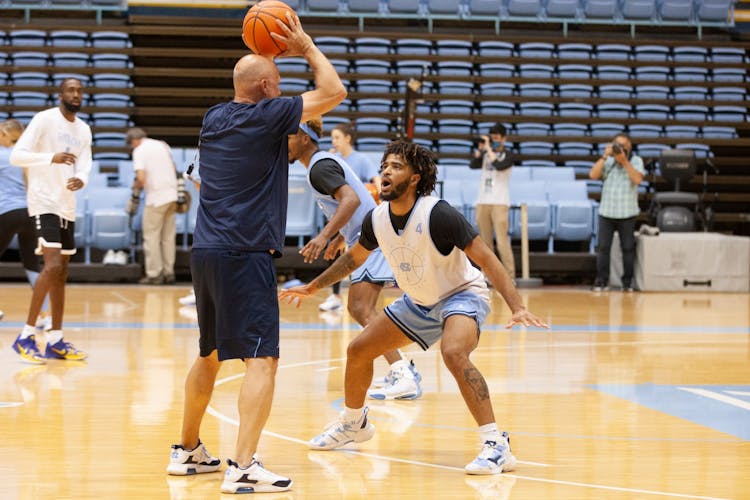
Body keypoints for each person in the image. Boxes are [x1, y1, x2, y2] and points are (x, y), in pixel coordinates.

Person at [280, 140, 548, 474]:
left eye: (396, 166)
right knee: (358, 350)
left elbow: (487, 259)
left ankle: (496, 444)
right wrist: (314, 286)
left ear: (416, 177)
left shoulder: (438, 214)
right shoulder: (377, 218)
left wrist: (517, 306)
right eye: (384, 167)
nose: (386, 172)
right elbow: (353, 259)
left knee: (453, 352)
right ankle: (354, 424)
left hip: (461, 295)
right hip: (419, 302)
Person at [166, 12, 346, 495]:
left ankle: (187, 451)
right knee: (262, 360)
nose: (282, 88)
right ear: (267, 87)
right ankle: (242, 465)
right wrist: (305, 46)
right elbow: (334, 91)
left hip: (205, 249)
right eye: (279, 82)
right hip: (245, 251)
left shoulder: (214, 116)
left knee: (210, 353)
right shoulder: (269, 114)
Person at [289, 118, 422, 401]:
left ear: (303, 138)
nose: (282, 143)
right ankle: (401, 367)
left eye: (288, 137)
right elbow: (355, 201)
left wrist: (324, 236)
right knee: (362, 308)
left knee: (360, 308)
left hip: (372, 237)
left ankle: (403, 373)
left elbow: (351, 200)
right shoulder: (323, 163)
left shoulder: (319, 167)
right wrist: (339, 238)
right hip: (367, 234)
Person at [9, 77, 91, 364]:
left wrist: (81, 179)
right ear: (60, 95)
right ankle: (26, 335)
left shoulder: (83, 129)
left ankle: (55, 339)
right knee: (52, 264)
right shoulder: (44, 120)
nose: (76, 94)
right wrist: (50, 158)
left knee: (61, 273)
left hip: (67, 205)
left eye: (80, 90)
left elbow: (85, 163)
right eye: (70, 90)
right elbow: (16, 156)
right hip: (43, 202)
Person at [318, 122, 382, 312]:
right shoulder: (332, 159)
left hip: (360, 215)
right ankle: (335, 296)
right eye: (332, 138)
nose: (334, 141)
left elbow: (376, 181)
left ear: (348, 138)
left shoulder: (361, 160)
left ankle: (367, 299)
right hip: (339, 213)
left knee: (361, 254)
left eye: (337, 137)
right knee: (334, 251)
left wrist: (378, 195)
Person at [0, 120, 53, 334]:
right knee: (33, 265)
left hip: (6, 212)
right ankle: (47, 317)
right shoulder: (27, 157)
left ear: (5, 135)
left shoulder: (2, 155)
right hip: (30, 213)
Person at [589, 133, 645, 292]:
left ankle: (627, 283)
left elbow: (638, 180)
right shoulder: (608, 161)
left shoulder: (636, 161)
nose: (620, 148)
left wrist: (625, 162)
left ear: (629, 147)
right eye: (617, 145)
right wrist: (605, 156)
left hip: (627, 212)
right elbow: (593, 175)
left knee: (628, 248)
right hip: (607, 211)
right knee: (603, 248)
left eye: (623, 146)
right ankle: (601, 281)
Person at [126, 128, 178, 285]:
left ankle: (155, 274)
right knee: (168, 237)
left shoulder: (140, 150)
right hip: (172, 195)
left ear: (133, 141)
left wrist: (135, 194)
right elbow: (174, 169)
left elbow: (141, 178)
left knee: (151, 237)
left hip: (156, 198)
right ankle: (169, 272)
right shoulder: (162, 145)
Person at [469, 123, 515, 280]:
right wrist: (481, 149)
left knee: (502, 242)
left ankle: (509, 276)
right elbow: (473, 165)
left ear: (504, 139)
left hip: (500, 203)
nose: (493, 141)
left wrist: (488, 149)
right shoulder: (485, 154)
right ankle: (487, 276)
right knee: (485, 243)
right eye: (491, 138)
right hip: (483, 201)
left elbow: (500, 166)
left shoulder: (509, 155)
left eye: (496, 139)